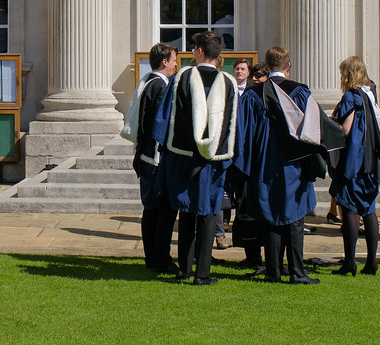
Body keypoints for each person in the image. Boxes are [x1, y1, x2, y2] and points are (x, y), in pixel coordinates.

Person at [233, 46, 337, 284]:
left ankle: (273, 271)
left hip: (263, 164)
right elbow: (315, 131)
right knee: (295, 216)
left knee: (269, 216)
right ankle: (297, 272)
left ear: (266, 66)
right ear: (288, 66)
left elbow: (243, 135)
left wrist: (243, 168)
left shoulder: (252, 94)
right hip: (295, 165)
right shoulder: (300, 93)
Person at [152, 32, 236, 285]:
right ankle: (203, 274)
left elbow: (165, 119)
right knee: (209, 213)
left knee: (187, 211)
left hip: (184, 157)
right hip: (214, 160)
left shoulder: (182, 78)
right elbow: (235, 125)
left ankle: (184, 270)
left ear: (199, 51)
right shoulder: (229, 82)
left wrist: (166, 149)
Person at [329, 56, 380, 276]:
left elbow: (346, 129)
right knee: (369, 210)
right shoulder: (369, 95)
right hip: (370, 160)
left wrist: (328, 124)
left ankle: (350, 262)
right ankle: (372, 262)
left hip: (353, 161)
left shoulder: (350, 97)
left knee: (349, 209)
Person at [129, 43, 178, 274]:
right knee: (162, 210)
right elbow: (161, 124)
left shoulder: (147, 81)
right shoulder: (160, 85)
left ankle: (153, 257)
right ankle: (160, 258)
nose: (176, 64)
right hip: (155, 158)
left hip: (146, 155)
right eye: (174, 60)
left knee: (151, 210)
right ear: (165, 62)